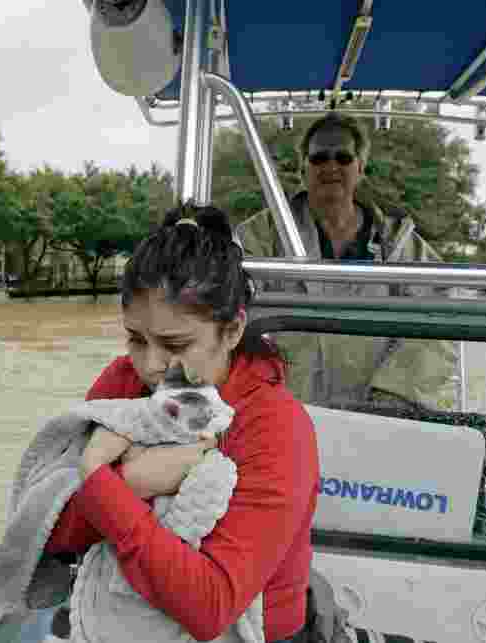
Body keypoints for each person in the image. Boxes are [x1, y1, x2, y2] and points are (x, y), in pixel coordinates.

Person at [46, 204, 319, 643]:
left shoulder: (275, 426)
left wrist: (108, 484)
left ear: (232, 331)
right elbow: (49, 533)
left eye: (176, 343)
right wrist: (132, 485)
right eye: (136, 339)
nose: (151, 365)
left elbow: (210, 607)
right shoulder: (122, 381)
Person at [236, 111, 458, 411]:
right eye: (319, 158)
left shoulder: (401, 244)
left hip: (380, 419)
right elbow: (227, 312)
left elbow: (442, 316)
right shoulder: (257, 237)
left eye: (343, 157)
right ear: (303, 168)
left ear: (360, 167)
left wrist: (396, 392)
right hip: (284, 412)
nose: (331, 166)